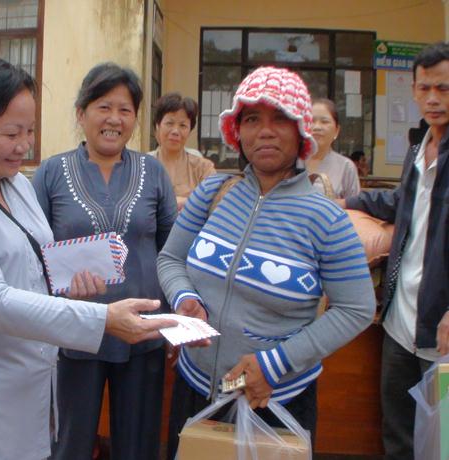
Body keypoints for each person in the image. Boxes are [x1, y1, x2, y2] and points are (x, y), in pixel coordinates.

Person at [0, 58, 175, 460]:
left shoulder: (13, 185)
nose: (24, 145)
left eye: (29, 131)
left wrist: (68, 285)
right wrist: (102, 319)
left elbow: (35, 266)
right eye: (11, 133)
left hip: (25, 387)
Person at [157, 66, 376, 459]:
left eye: (281, 119)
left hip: (274, 400)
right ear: (237, 131)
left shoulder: (325, 218)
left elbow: (355, 308)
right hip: (195, 389)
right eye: (252, 119)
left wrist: (274, 365)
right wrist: (184, 298)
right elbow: (171, 258)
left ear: (301, 131)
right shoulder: (212, 193)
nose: (266, 131)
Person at [32, 63, 178, 460]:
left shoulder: (152, 171)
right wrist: (56, 293)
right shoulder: (51, 172)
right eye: (103, 107)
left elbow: (171, 249)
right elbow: (32, 252)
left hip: (143, 333)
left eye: (125, 110)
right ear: (81, 114)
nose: (114, 119)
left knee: (138, 443)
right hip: (75, 331)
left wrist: (175, 316)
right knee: (72, 441)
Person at [341, 42, 449, 460]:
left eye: (443, 88)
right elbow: (402, 201)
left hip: (441, 327)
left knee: (442, 440)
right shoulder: (419, 149)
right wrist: (346, 202)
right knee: (398, 434)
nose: (433, 98)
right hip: (400, 323)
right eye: (424, 88)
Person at [148, 92, 216, 210]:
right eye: (169, 123)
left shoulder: (203, 168)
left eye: (183, 125)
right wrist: (188, 202)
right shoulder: (142, 166)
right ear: (158, 126)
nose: (175, 131)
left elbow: (214, 202)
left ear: (190, 130)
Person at [306, 98, 360, 198]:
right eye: (311, 121)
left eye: (324, 122)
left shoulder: (346, 167)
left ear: (337, 130)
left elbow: (353, 204)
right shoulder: (291, 162)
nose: (317, 127)